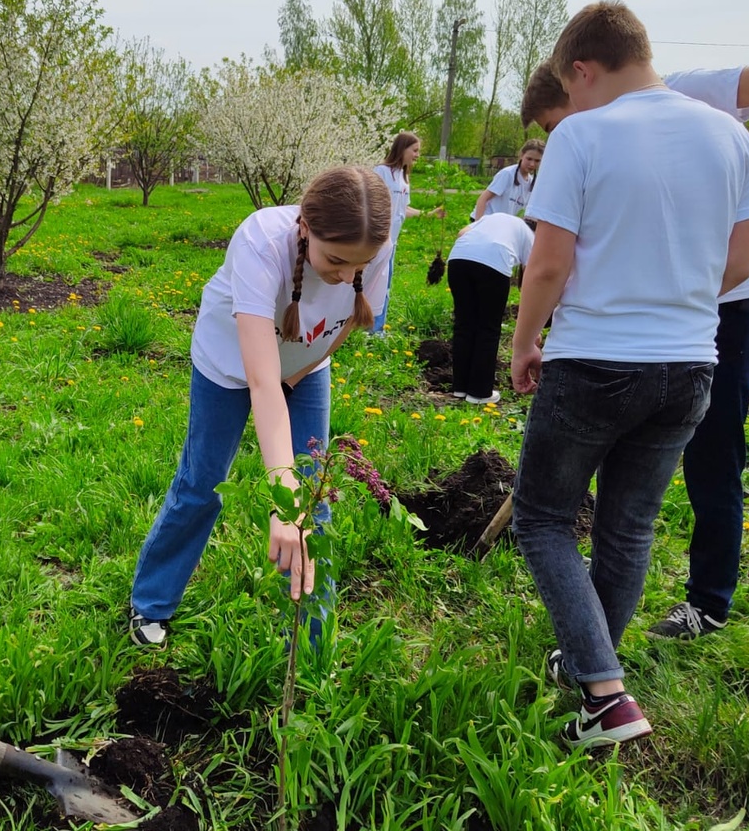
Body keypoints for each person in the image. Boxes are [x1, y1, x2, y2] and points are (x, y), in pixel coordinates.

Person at [509, 1, 749, 749]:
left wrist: (526, 342)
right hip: (689, 364)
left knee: (544, 518)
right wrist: (673, 298)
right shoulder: (728, 135)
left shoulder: (583, 134)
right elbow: (744, 263)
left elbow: (550, 261)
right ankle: (594, 672)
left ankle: (605, 695)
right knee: (628, 526)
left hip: (593, 360)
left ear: (581, 70)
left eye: (569, 88)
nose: (569, 105)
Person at [521, 59, 749, 640]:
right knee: (627, 501)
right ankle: (598, 651)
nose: (569, 134)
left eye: (564, 121)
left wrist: (739, 181)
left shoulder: (683, 94)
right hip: (669, 317)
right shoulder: (607, 125)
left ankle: (707, 601)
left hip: (726, 302)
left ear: (581, 80)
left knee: (711, 458)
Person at [129, 166, 392, 646]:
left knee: (313, 497)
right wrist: (279, 498)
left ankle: (314, 644)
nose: (348, 277)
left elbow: (346, 325)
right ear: (306, 229)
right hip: (229, 365)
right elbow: (261, 381)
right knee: (203, 484)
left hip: (303, 368)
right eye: (336, 261)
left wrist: (302, 370)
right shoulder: (261, 242)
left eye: (360, 266)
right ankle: (151, 603)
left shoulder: (373, 247)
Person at [447, 214, 534, 404]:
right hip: (494, 263)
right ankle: (479, 393)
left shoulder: (495, 218)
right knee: (488, 328)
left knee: (464, 323)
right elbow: (531, 277)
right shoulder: (531, 237)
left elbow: (462, 232)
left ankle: (460, 388)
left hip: (458, 259)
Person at [370, 132, 444, 334]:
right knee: (372, 285)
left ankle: (375, 330)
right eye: (415, 150)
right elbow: (370, 203)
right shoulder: (382, 172)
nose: (418, 155)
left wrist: (430, 214)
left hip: (391, 243)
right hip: (376, 242)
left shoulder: (404, 178)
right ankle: (370, 330)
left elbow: (403, 209)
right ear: (402, 149)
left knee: (384, 287)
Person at [470, 139, 544, 221]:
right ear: (521, 155)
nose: (532, 164)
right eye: (529, 159)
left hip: (502, 225)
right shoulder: (507, 174)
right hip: (485, 219)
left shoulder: (532, 182)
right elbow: (483, 198)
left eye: (537, 161)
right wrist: (477, 224)